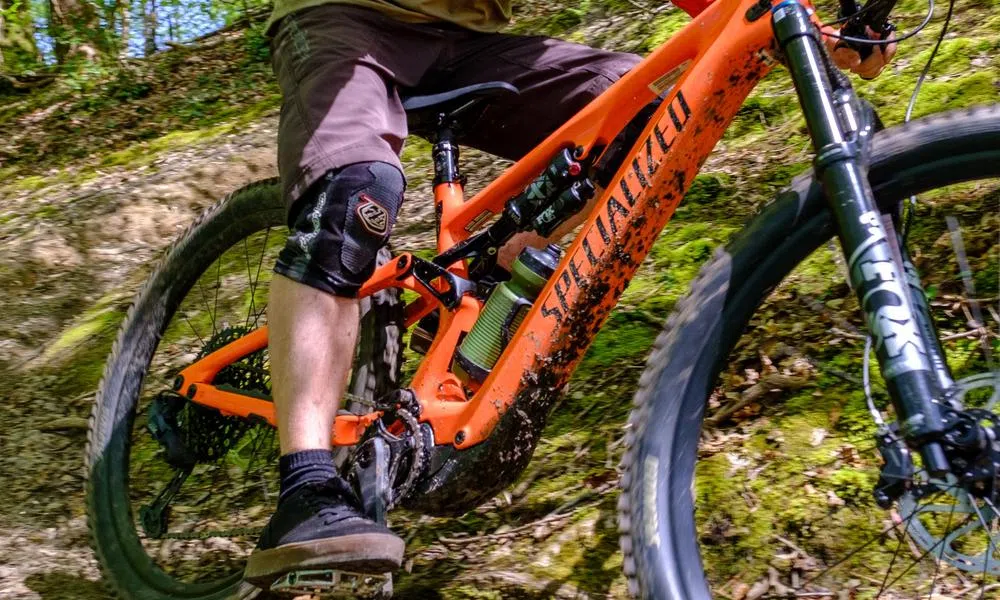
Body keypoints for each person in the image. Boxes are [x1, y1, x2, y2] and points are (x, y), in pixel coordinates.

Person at [244, 0, 896, 588]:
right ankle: (306, 490)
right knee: (356, 201)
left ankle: (497, 276)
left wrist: (815, 25)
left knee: (649, 117)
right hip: (344, 19)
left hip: (469, 37)